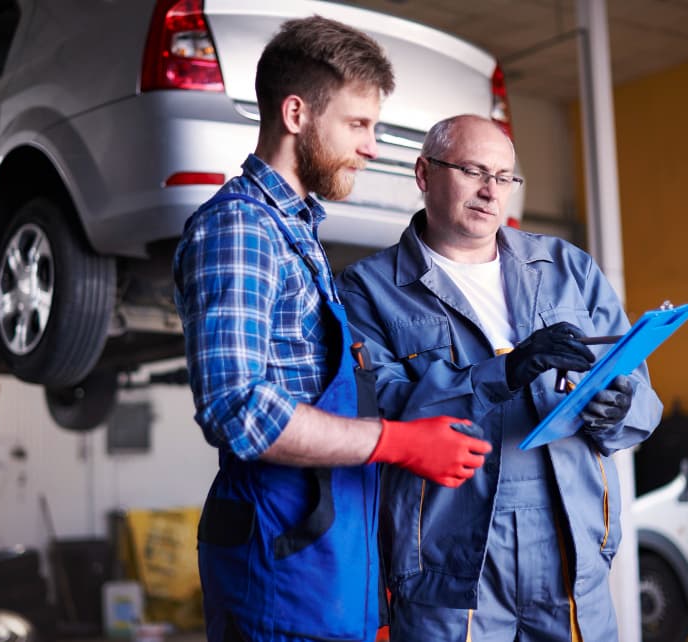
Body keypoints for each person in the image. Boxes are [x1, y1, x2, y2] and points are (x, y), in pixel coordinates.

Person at [172, 20, 492, 642]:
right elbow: (238, 410)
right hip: (277, 579)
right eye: (358, 124)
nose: (371, 146)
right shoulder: (241, 230)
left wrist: (373, 598)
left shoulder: (298, 234)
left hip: (328, 573)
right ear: (296, 114)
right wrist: (399, 442)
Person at [335, 114, 664, 641]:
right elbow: (380, 410)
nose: (491, 191)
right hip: (448, 561)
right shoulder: (369, 289)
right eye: (473, 171)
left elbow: (644, 401)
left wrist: (619, 408)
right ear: (424, 173)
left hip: (570, 550)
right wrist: (503, 372)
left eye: (504, 177)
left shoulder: (567, 269)